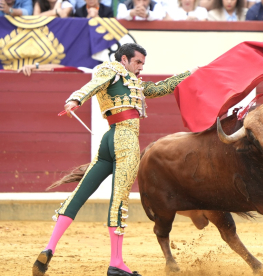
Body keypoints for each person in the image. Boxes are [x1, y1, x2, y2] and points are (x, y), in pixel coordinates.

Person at [32, 43, 198, 276]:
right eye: (138, 62)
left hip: (109, 140)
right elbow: (94, 84)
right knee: (118, 200)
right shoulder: (110, 70)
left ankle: (49, 248)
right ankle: (116, 262)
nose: (141, 67)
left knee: (80, 193)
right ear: (124, 59)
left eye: (143, 63)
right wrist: (76, 99)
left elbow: (160, 88)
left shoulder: (131, 82)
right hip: (125, 139)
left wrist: (189, 73)